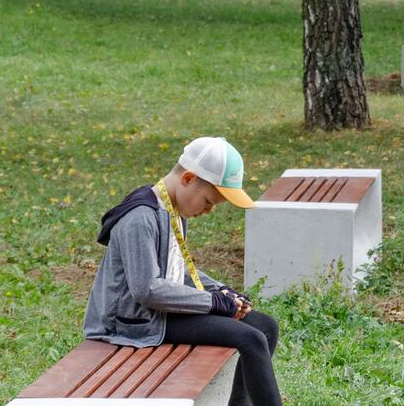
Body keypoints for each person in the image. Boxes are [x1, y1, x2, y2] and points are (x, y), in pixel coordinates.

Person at [83, 136, 282, 406]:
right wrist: (215, 303)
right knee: (251, 338)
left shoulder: (173, 209)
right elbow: (147, 289)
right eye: (209, 201)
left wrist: (222, 290)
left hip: (159, 313)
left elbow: (178, 270)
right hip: (134, 323)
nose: (209, 211)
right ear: (188, 179)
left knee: (264, 326)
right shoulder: (140, 217)